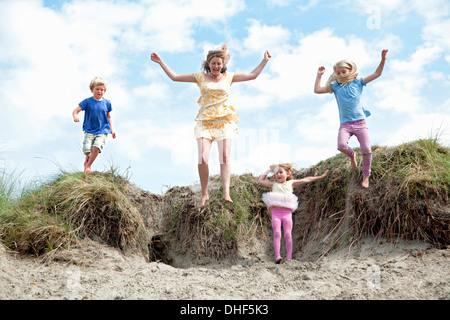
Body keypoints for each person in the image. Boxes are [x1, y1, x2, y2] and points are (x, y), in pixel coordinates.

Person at [151, 43, 271, 207]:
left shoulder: (229, 77)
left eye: (219, 64)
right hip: (205, 121)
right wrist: (161, 62)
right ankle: (204, 193)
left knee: (225, 157)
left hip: (224, 121)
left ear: (222, 66)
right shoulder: (199, 77)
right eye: (213, 63)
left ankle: (226, 193)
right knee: (202, 158)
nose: (216, 66)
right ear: (208, 64)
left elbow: (252, 75)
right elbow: (175, 76)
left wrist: (264, 60)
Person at [314, 49, 388, 188]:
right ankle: (352, 155)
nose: (341, 74)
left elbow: (377, 74)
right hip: (345, 125)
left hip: (360, 123)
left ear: (350, 70)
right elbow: (317, 90)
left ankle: (366, 176)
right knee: (341, 146)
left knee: (366, 150)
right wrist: (319, 76)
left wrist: (383, 59)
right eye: (338, 72)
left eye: (344, 72)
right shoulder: (335, 86)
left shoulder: (358, 82)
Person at [258, 164, 328, 263]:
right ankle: (278, 256)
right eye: (276, 173)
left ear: (287, 174)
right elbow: (260, 181)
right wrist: (268, 170)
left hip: (287, 214)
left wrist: (320, 177)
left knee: (287, 234)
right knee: (277, 233)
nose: (278, 174)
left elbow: (306, 179)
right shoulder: (274, 184)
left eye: (281, 172)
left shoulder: (290, 183)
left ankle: (289, 257)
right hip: (276, 213)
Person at [72, 77, 116, 173]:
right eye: (97, 89)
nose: (99, 91)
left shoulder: (107, 103)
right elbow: (76, 110)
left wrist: (112, 130)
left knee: (97, 146)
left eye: (102, 90)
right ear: (92, 89)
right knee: (87, 150)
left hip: (103, 130)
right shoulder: (87, 102)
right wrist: (75, 116)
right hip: (89, 129)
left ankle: (88, 166)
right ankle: (88, 157)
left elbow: (109, 117)